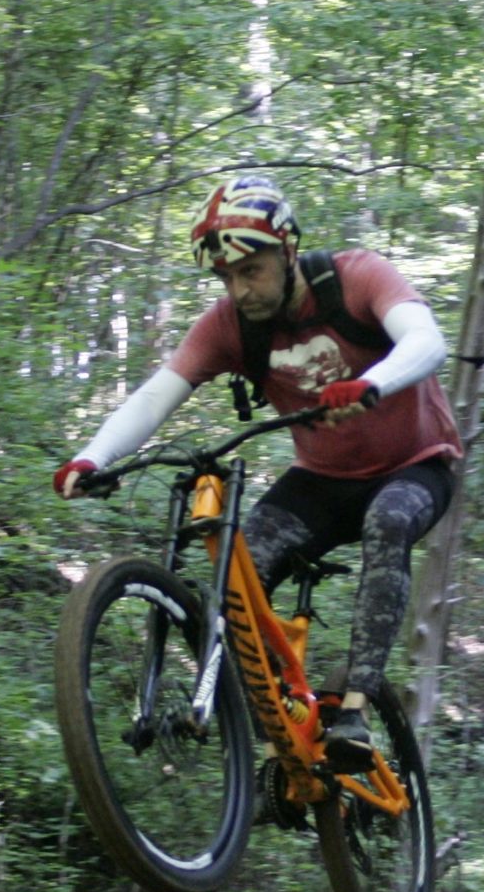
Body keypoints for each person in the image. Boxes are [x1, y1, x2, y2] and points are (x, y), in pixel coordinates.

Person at [54, 175, 463, 768]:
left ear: (288, 251)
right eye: (226, 277)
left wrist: (371, 383)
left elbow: (427, 341)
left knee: (390, 519)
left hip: (415, 467)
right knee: (233, 570)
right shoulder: (231, 327)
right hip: (321, 483)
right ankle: (278, 724)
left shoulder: (356, 278)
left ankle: (356, 709)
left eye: (252, 271)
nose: (239, 289)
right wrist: (94, 457)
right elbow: (154, 397)